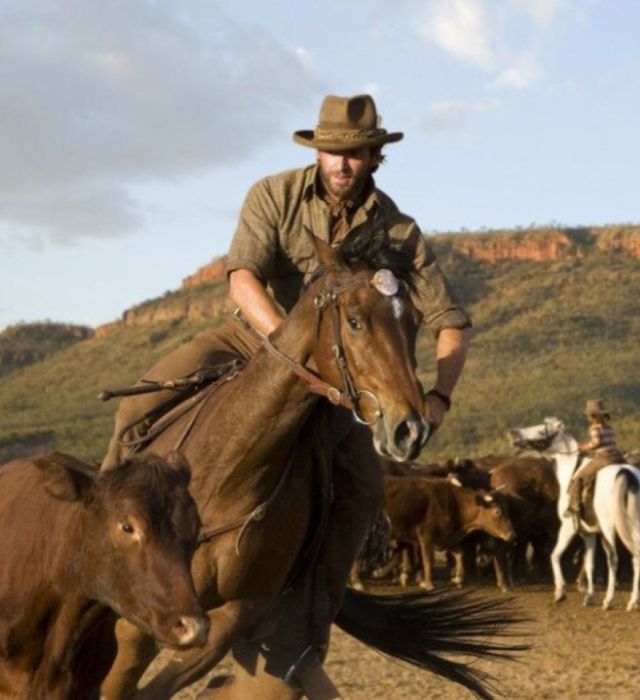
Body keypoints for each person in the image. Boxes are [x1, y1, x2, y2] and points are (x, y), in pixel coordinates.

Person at [102, 94, 471, 690]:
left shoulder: (399, 231)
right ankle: (95, 550)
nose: (341, 162)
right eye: (332, 151)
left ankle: (303, 631)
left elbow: (448, 320)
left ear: (375, 156)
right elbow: (243, 275)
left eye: (353, 153)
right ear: (317, 151)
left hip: (342, 374)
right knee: (139, 403)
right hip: (252, 339)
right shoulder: (272, 195)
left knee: (361, 489)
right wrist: (288, 351)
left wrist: (438, 398)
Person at [567, 399, 624, 519]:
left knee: (579, 476)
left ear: (592, 416)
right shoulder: (609, 427)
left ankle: (574, 505)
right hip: (618, 457)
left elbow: (596, 442)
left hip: (604, 457)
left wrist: (582, 447)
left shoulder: (594, 428)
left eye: (589, 416)